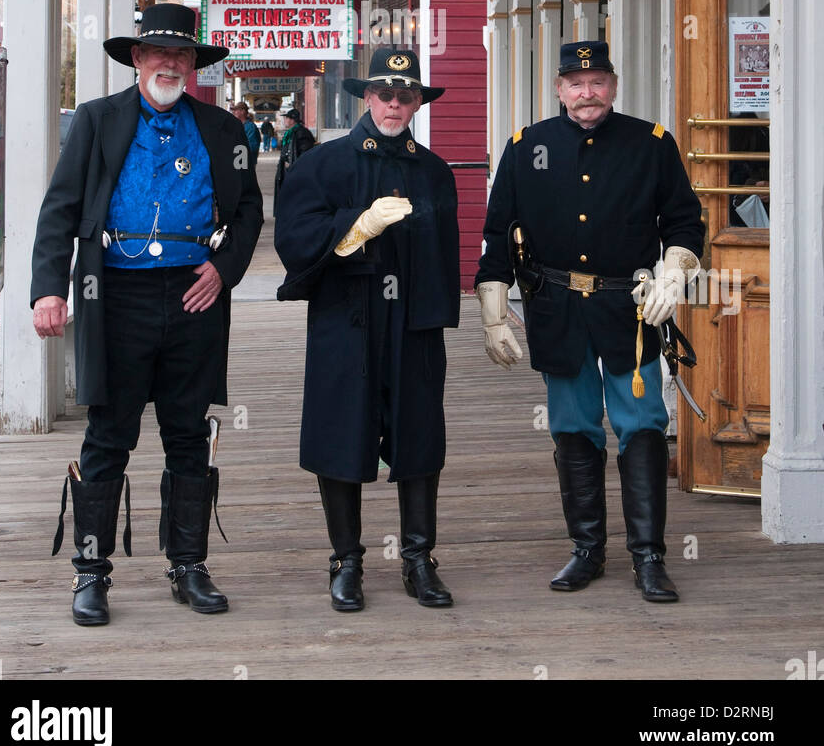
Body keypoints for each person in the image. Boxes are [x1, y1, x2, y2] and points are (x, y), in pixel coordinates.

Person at [31, 4, 263, 626]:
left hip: (195, 297)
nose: (169, 63)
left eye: (182, 54)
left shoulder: (223, 130)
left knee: (189, 435)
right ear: (136, 58)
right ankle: (90, 571)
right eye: (158, 53)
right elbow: (61, 208)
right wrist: (47, 289)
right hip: (118, 299)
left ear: (194, 65)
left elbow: (247, 215)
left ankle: (188, 565)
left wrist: (224, 271)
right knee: (109, 435)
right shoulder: (97, 120)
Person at [475, 41, 703, 603]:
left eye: (597, 80)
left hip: (630, 307)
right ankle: (587, 551)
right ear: (558, 88)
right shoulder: (527, 148)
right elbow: (498, 230)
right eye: (576, 83)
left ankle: (649, 557)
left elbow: (683, 220)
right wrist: (492, 311)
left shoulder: (651, 144)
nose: (587, 92)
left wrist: (673, 273)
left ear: (614, 85)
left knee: (643, 424)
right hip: (557, 309)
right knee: (573, 428)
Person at [274, 48, 460, 611]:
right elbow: (293, 238)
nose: (395, 105)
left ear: (417, 103)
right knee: (340, 433)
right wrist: (355, 226)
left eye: (407, 96)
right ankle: (346, 561)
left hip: (414, 322)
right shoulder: (323, 165)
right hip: (346, 319)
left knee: (419, 435)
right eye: (386, 94)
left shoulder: (434, 171)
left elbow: (447, 254)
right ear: (367, 97)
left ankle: (419, 559)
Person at [272, 107, 316, 213]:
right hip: (288, 169)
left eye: (286, 118)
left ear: (292, 120)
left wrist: (296, 167)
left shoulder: (301, 133)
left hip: (295, 171)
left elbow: (306, 153)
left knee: (294, 195)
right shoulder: (291, 133)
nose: (285, 120)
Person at [233, 100, 261, 167]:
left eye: (236, 110)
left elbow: (252, 146)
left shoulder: (250, 127)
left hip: (247, 161)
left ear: (243, 111)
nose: (234, 112)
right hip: (238, 159)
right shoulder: (237, 125)